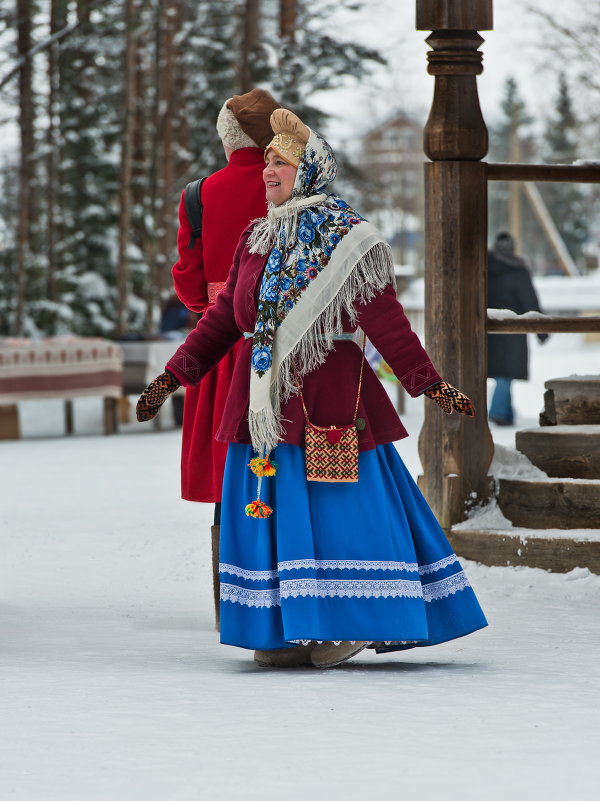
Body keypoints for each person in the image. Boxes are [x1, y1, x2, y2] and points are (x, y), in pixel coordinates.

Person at [137, 109, 487, 669]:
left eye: (281, 162)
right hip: (262, 404)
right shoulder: (258, 236)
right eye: (268, 161)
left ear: (310, 170)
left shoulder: (348, 238)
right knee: (267, 515)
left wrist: (430, 385)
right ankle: (283, 629)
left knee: (338, 515)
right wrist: (171, 377)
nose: (268, 171)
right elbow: (224, 317)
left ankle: (347, 622)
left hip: (329, 401)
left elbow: (386, 322)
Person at [171, 88, 280, 624]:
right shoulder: (290, 183)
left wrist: (217, 297)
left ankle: (230, 600)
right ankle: (295, 590)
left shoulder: (200, 194)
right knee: (288, 474)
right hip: (288, 350)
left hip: (222, 351)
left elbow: (190, 288)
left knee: (227, 474)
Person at [487, 231, 549, 426]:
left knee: (501, 372)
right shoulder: (517, 270)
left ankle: (506, 414)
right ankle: (497, 411)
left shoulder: (482, 267)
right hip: (513, 327)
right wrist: (542, 330)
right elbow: (529, 300)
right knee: (506, 372)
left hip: (488, 326)